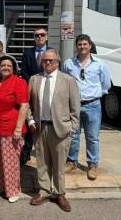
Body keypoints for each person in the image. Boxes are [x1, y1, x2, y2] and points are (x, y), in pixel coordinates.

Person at [27, 49, 80, 212]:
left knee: (59, 164)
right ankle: (44, 191)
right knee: (42, 162)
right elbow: (27, 104)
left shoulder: (68, 80)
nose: (47, 63)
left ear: (58, 62)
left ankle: (59, 193)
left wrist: (72, 129)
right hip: (40, 127)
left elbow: (75, 108)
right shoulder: (34, 79)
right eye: (45, 60)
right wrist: (29, 120)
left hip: (61, 128)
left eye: (51, 60)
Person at [63, 34, 111, 180]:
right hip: (74, 106)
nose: (82, 47)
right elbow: (65, 82)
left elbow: (106, 84)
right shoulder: (68, 63)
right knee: (73, 135)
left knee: (92, 137)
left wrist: (94, 95)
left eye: (85, 44)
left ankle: (92, 164)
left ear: (90, 46)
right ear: (76, 46)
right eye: (79, 44)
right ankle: (72, 161)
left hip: (93, 105)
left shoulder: (100, 64)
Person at [0, 55, 29, 203]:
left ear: (14, 68)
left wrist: (18, 128)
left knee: (10, 160)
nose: (5, 68)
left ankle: (12, 191)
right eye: (3, 65)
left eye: (9, 66)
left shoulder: (19, 82)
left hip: (11, 127)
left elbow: (24, 106)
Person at [20, 27, 52, 166]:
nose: (39, 37)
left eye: (42, 35)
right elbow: (24, 71)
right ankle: (25, 153)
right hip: (31, 92)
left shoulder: (52, 52)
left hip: (47, 92)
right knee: (30, 122)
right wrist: (32, 86)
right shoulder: (28, 52)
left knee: (45, 123)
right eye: (36, 35)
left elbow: (55, 70)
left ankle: (45, 155)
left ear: (47, 36)